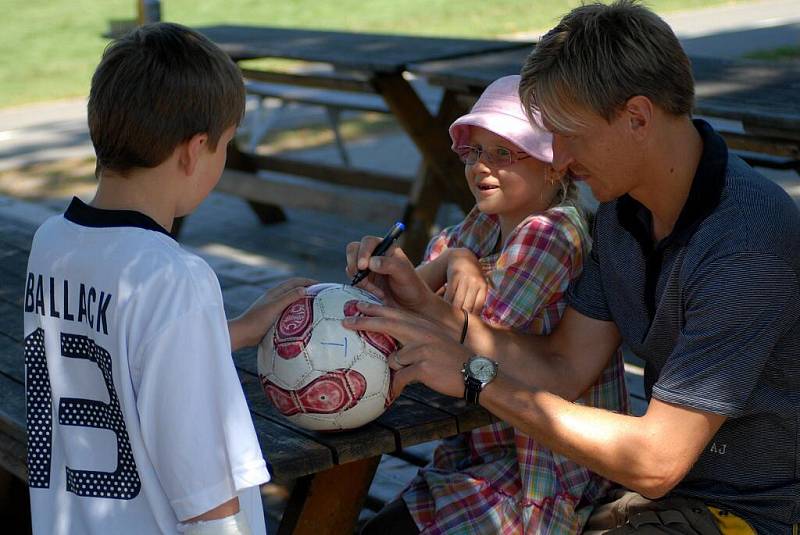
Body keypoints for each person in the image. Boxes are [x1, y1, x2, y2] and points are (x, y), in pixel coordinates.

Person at [344, 1, 800, 534]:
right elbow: (562, 367)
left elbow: (655, 461)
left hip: (757, 512)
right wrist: (426, 307)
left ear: (636, 117)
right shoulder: (622, 216)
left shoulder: (746, 240)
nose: (556, 159)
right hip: (666, 496)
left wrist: (475, 377)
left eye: (566, 133)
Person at [23, 23, 311, 535]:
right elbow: (200, 478)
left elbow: (125, 357)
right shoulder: (174, 277)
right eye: (225, 145)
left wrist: (241, 329)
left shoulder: (53, 242)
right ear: (194, 149)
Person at [358, 75, 629, 534]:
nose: (483, 167)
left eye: (504, 153)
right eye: (476, 151)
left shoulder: (553, 233)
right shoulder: (483, 223)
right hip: (484, 443)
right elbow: (412, 304)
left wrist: (447, 268)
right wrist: (427, 270)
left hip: (541, 465)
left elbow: (473, 332)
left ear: (553, 164)